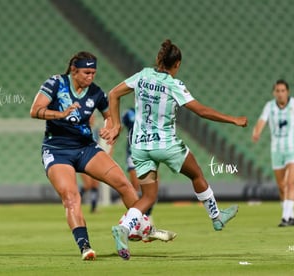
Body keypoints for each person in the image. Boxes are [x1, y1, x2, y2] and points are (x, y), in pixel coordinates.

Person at [103, 39, 248, 260]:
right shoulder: (174, 85)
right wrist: (233, 119)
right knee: (196, 174)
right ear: (177, 64)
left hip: (140, 146)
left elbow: (112, 94)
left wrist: (115, 125)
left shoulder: (142, 76)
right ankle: (216, 217)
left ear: (158, 60)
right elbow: (201, 111)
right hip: (166, 145)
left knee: (148, 197)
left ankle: (123, 228)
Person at [30, 51, 174, 261]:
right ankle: (85, 247)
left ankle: (144, 227)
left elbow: (110, 116)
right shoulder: (55, 83)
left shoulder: (96, 93)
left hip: (86, 148)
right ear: (73, 70)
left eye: (94, 72)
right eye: (86, 72)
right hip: (57, 150)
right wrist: (59, 114)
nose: (91, 77)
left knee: (124, 184)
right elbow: (35, 110)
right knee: (71, 198)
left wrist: (112, 128)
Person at [252, 79, 294, 227]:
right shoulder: (269, 107)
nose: (280, 94)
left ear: (287, 92)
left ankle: (285, 218)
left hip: (293, 149)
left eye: (283, 91)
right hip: (277, 150)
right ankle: (291, 216)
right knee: (281, 186)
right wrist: (256, 132)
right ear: (274, 92)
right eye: (278, 91)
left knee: (290, 183)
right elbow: (261, 122)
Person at [122, 107, 154, 219]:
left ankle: (148, 217)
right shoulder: (128, 113)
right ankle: (139, 217)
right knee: (135, 186)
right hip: (132, 153)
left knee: (149, 187)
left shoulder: (151, 110)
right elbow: (119, 127)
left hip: (149, 152)